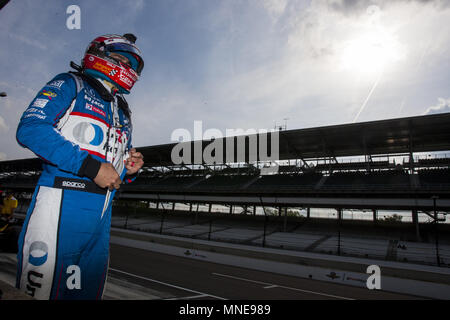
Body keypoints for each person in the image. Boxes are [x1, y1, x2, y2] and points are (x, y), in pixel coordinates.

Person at [15, 34, 144, 300]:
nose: (127, 69)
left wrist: (128, 170)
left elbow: (112, 172)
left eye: (131, 65)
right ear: (99, 54)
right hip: (61, 202)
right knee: (40, 293)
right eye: (122, 60)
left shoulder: (123, 110)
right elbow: (30, 129)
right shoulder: (69, 83)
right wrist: (92, 167)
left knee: (85, 294)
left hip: (103, 213)